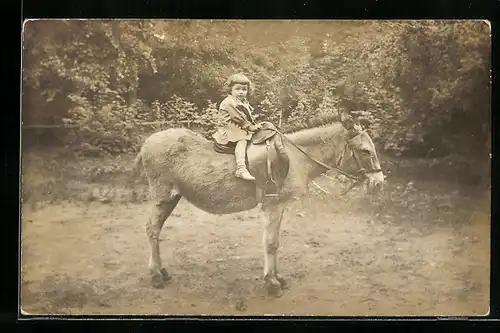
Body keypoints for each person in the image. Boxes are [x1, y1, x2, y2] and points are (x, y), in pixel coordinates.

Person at [213, 73, 261, 181]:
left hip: (237, 127)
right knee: (242, 140)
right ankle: (241, 168)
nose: (241, 92)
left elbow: (248, 117)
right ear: (230, 90)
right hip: (229, 129)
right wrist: (250, 127)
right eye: (237, 89)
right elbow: (238, 117)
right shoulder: (229, 102)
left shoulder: (242, 102)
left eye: (244, 89)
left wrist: (254, 125)